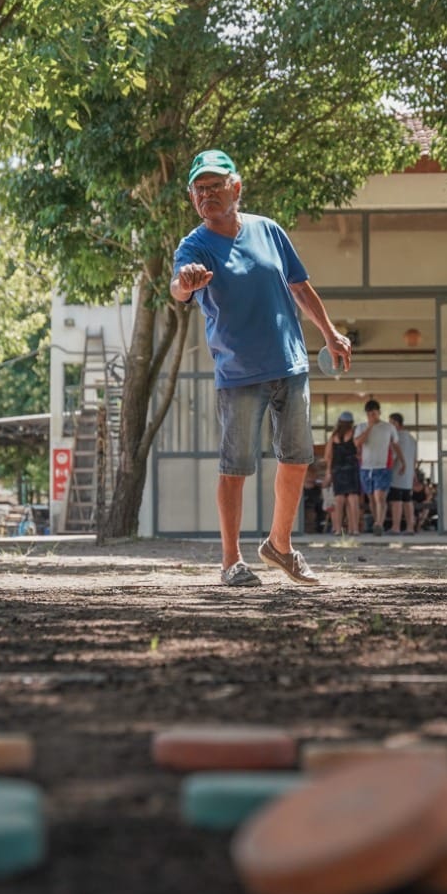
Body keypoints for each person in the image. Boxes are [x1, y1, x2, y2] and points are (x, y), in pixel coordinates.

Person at [171, 148, 351, 587]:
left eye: (215, 186)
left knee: (297, 459)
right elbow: (178, 287)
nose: (207, 195)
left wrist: (328, 332)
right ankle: (231, 561)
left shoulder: (268, 230)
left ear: (237, 187)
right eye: (199, 189)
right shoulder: (194, 247)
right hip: (239, 372)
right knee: (236, 466)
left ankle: (280, 546)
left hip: (290, 364)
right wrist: (186, 282)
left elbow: (300, 286)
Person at [354, 399, 403, 535]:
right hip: (366, 467)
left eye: (374, 414)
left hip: (383, 467)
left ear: (379, 412)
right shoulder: (361, 427)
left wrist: (402, 462)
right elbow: (357, 443)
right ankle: (377, 521)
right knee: (371, 498)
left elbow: (396, 445)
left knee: (380, 497)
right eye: (369, 414)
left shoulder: (388, 427)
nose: (372, 417)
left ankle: (379, 523)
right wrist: (369, 427)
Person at [323, 411, 362, 536]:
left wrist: (329, 472)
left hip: (337, 470)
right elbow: (359, 449)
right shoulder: (354, 434)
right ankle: (354, 529)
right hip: (351, 470)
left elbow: (328, 456)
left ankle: (338, 529)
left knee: (339, 500)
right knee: (353, 500)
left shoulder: (333, 436)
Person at [387, 411, 419, 534]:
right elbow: (415, 457)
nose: (390, 426)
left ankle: (396, 527)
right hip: (408, 474)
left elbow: (394, 456)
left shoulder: (396, 438)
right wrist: (413, 472)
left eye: (392, 423)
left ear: (398, 424)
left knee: (396, 501)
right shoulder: (412, 438)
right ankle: (410, 527)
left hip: (397, 473)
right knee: (408, 500)